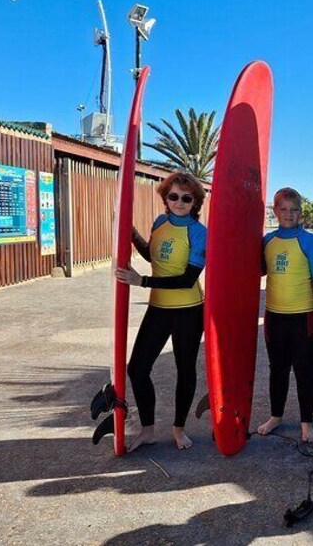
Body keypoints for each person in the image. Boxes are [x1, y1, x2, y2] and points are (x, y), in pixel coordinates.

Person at [115, 171, 207, 452]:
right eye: (173, 196)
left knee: (185, 370)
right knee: (137, 368)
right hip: (158, 308)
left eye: (186, 198)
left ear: (195, 202)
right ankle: (148, 430)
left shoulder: (199, 233)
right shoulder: (160, 222)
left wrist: (140, 281)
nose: (179, 202)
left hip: (189, 310)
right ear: (166, 198)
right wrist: (131, 235)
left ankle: (179, 429)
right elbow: (153, 256)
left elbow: (186, 279)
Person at [256, 187, 313, 443]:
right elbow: (259, 271)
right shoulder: (267, 241)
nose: (289, 214)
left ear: (301, 212)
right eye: (283, 209)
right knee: (277, 369)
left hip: (304, 318)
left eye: (294, 209)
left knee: (304, 370)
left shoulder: (309, 241)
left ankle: (306, 422)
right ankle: (276, 416)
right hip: (275, 317)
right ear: (275, 211)